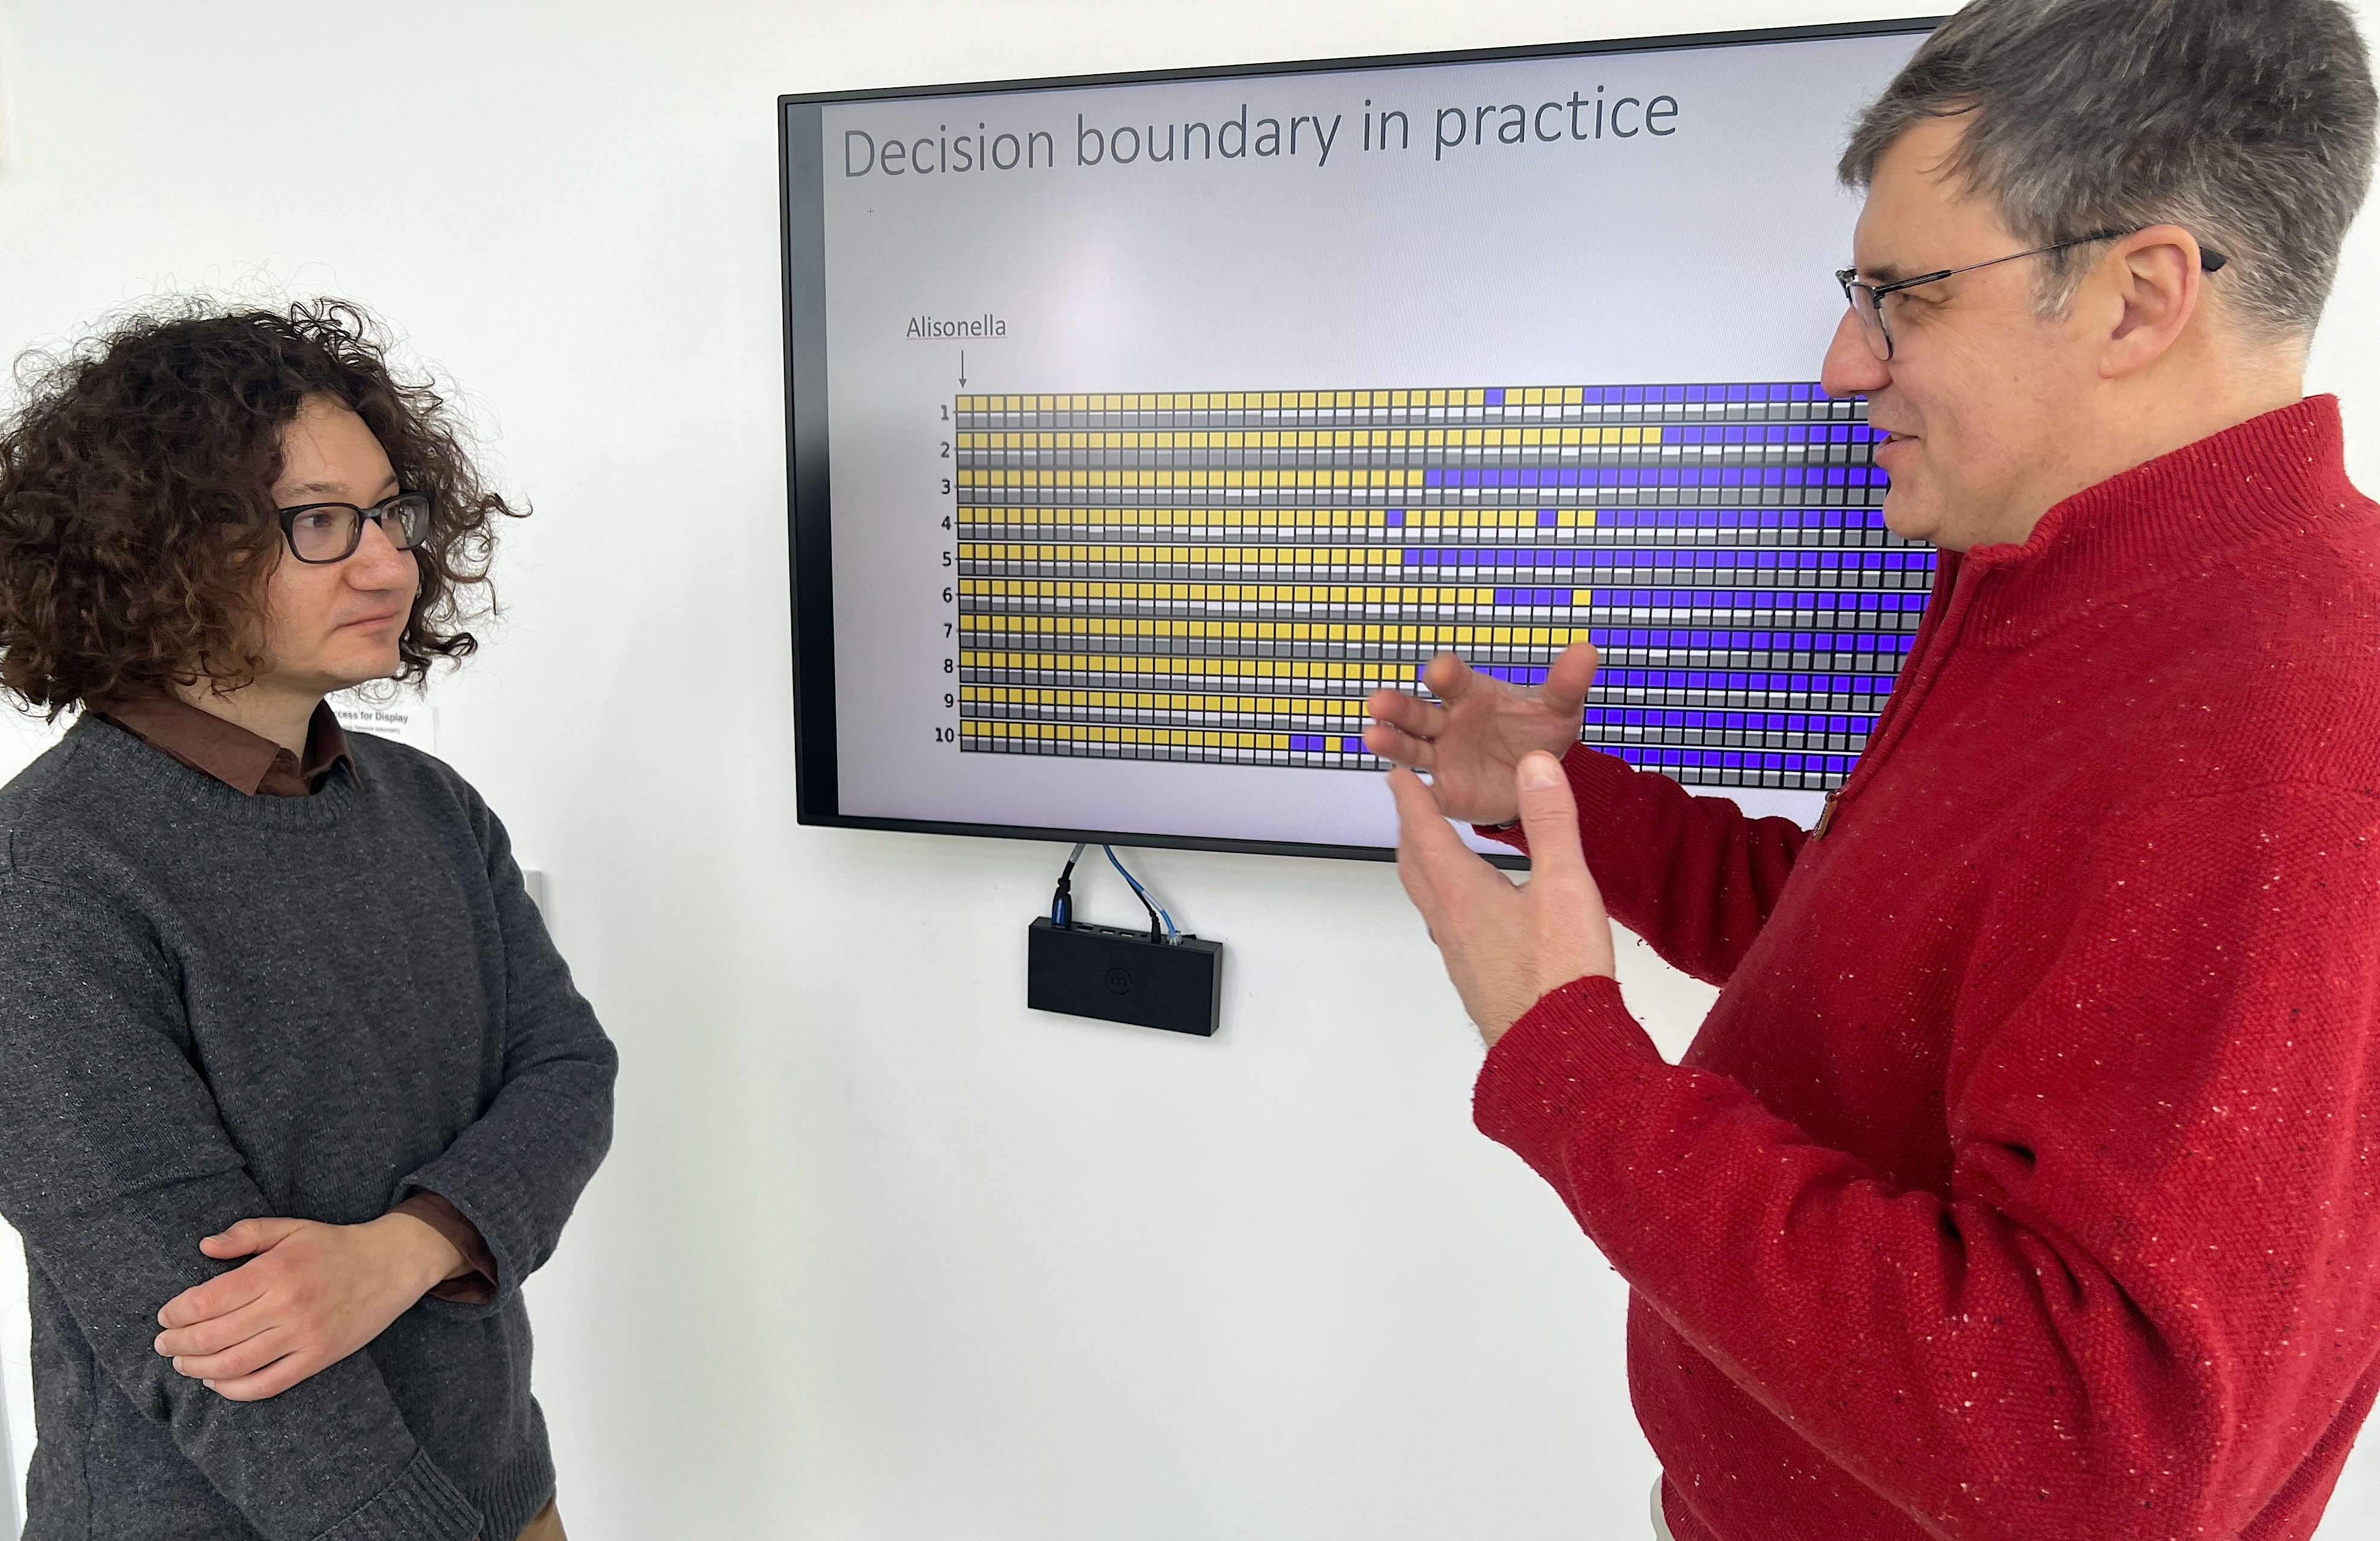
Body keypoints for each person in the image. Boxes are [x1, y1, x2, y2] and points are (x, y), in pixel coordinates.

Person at [1366, 1, 2380, 1538]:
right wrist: (1575, 807)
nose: (1844, 367)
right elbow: (1894, 960)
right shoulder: (2046, 586)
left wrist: (1563, 1055)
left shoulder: (2289, 730)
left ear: (2133, 298)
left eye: (1900, 296)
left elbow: (2095, 1461)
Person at [0, 300, 616, 1541]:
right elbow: (209, 1345)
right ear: (164, 548)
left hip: (505, 1496)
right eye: (321, 524)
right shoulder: (47, 873)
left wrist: (411, 1246)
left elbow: (566, 1076)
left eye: (391, 513)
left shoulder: (433, 811)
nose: (389, 562)